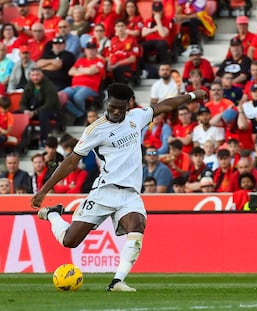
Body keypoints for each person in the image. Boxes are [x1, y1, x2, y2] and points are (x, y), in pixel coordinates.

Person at [31, 84, 207, 291]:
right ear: (107, 102)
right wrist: (44, 190)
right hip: (104, 191)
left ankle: (117, 281)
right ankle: (53, 215)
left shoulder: (136, 117)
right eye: (112, 107)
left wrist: (192, 95)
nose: (115, 112)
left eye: (120, 108)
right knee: (70, 241)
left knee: (137, 226)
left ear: (128, 105)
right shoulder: (95, 130)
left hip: (130, 194)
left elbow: (165, 105)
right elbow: (71, 161)